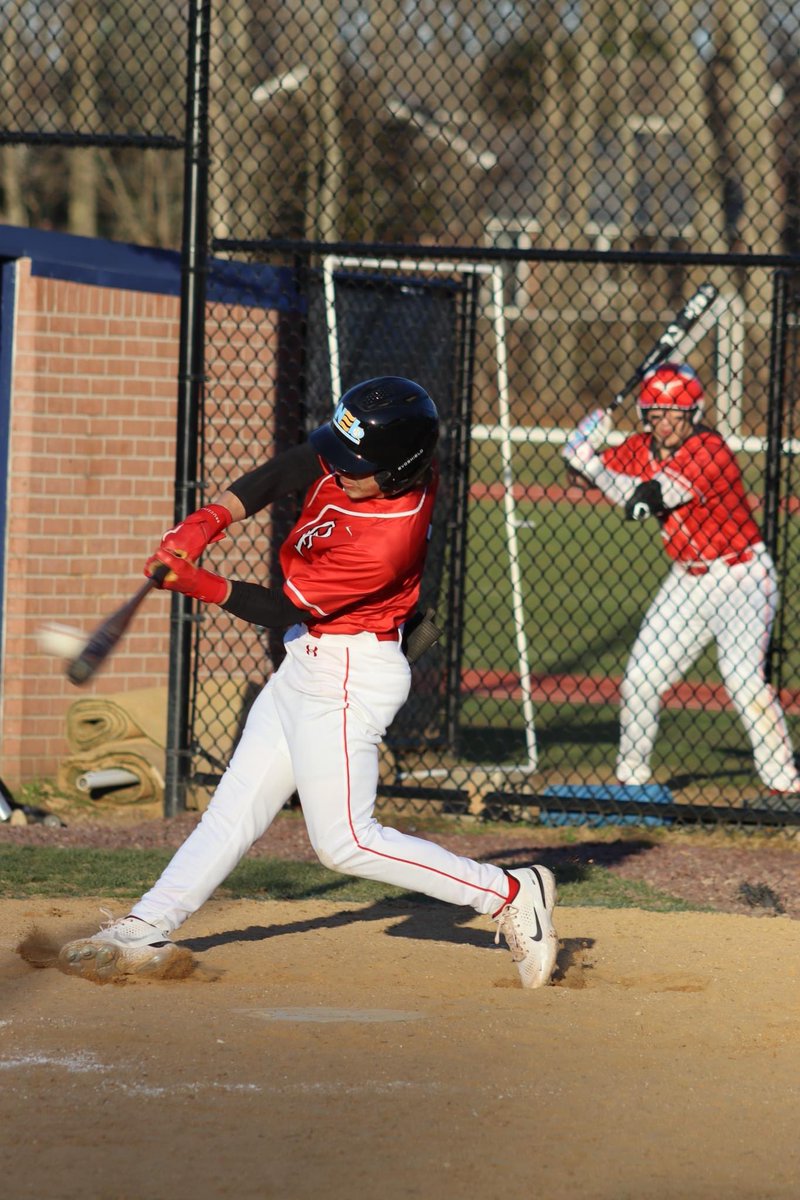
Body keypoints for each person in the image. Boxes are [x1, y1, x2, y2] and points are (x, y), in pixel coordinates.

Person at [60, 376, 558, 988]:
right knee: (235, 807)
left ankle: (509, 892)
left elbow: (285, 609)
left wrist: (201, 585)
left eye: (358, 465)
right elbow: (296, 464)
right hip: (308, 662)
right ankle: (148, 924)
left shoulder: (385, 542)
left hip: (350, 673)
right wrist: (207, 520)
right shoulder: (373, 459)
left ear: (401, 470)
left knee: (346, 841)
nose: (341, 470)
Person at [562, 361, 800, 797]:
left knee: (743, 678)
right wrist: (579, 448)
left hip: (742, 576)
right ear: (644, 414)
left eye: (676, 413)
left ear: (694, 413)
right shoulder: (640, 447)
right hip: (687, 579)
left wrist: (591, 465)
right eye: (657, 412)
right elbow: (577, 479)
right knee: (641, 678)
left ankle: (785, 783)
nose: (666, 421)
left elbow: (643, 502)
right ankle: (631, 780)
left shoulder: (710, 450)